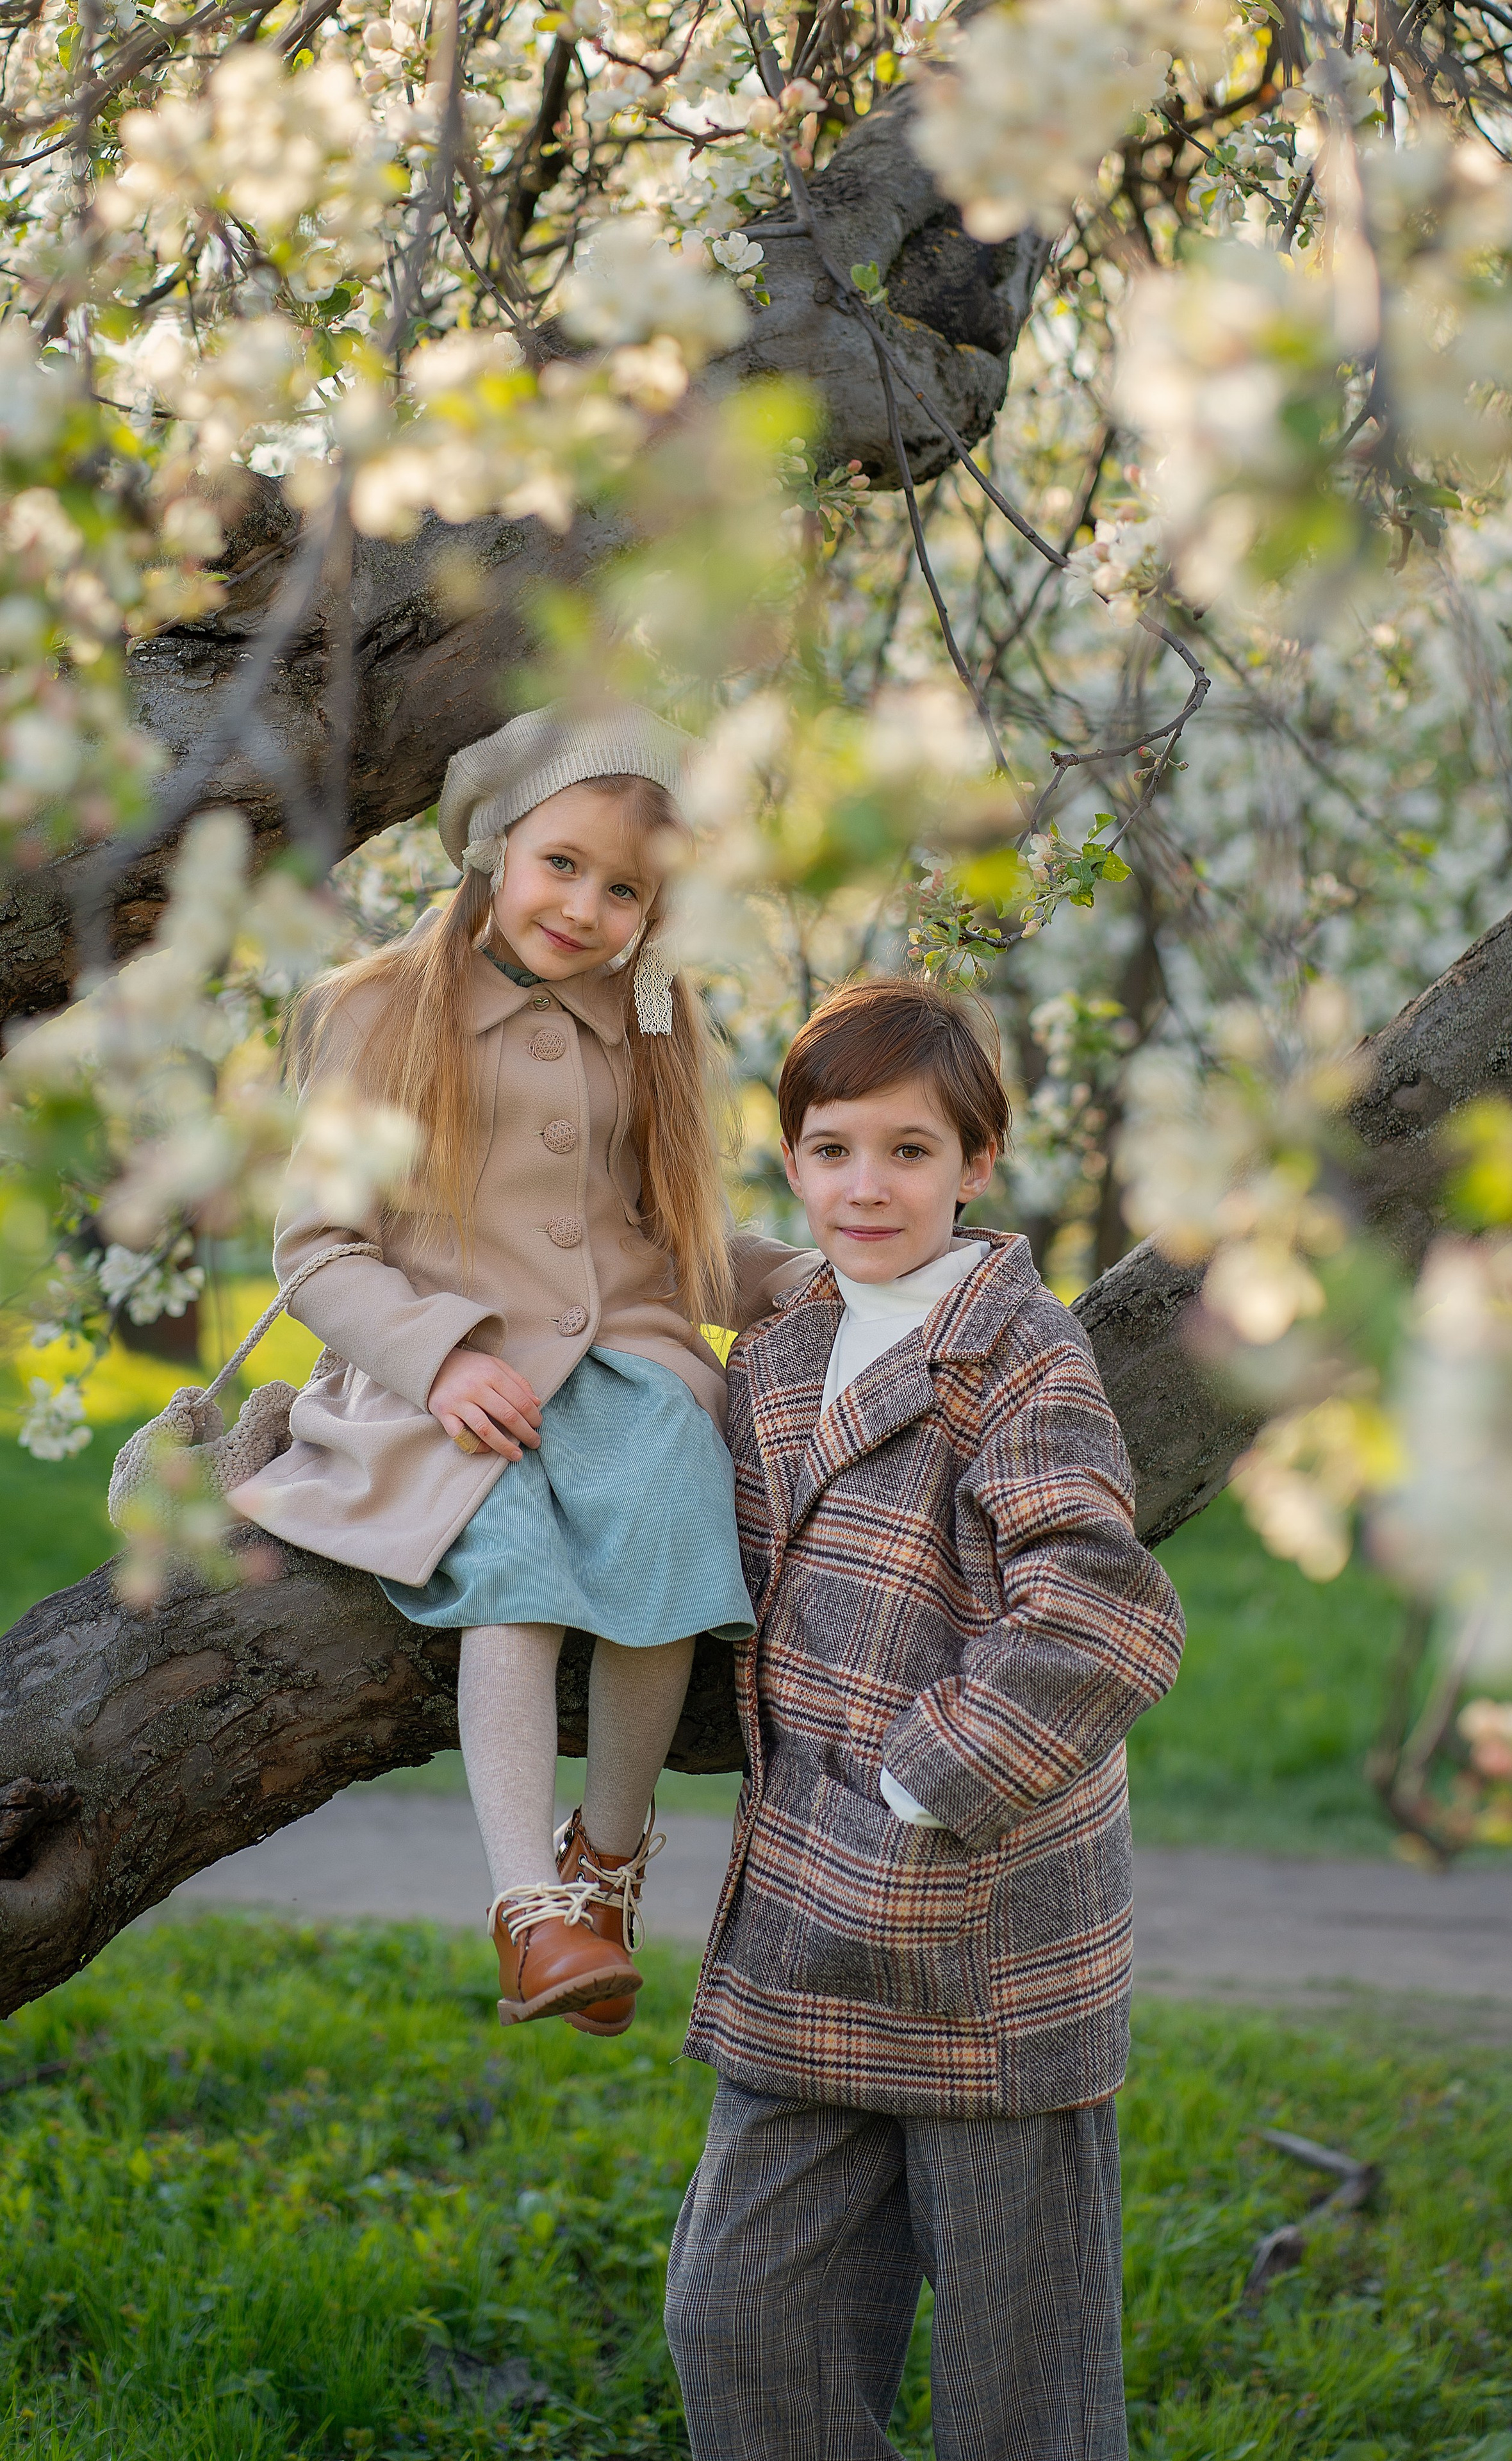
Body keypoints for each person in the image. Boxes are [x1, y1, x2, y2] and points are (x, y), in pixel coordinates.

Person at [665, 977, 1185, 2461]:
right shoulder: (772, 1359)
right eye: (830, 1150)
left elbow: (1099, 1612)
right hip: (805, 1933)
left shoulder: (1021, 1354)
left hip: (984, 1926)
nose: (865, 1185)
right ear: (791, 1165)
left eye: (908, 1150)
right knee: (735, 2320)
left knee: (1021, 2390)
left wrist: (914, 1788)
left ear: (974, 1164)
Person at [231, 702, 810, 2035]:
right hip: (442, 1373)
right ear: (496, 840)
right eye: (563, 863)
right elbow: (317, 1250)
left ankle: (604, 1866)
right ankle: (524, 1910)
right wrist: (436, 1362)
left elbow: (672, 1234)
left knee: (670, 1510)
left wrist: (802, 1278)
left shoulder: (652, 1021)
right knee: (506, 1552)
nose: (585, 906)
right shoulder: (377, 1009)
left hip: (611, 1358)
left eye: (625, 891)